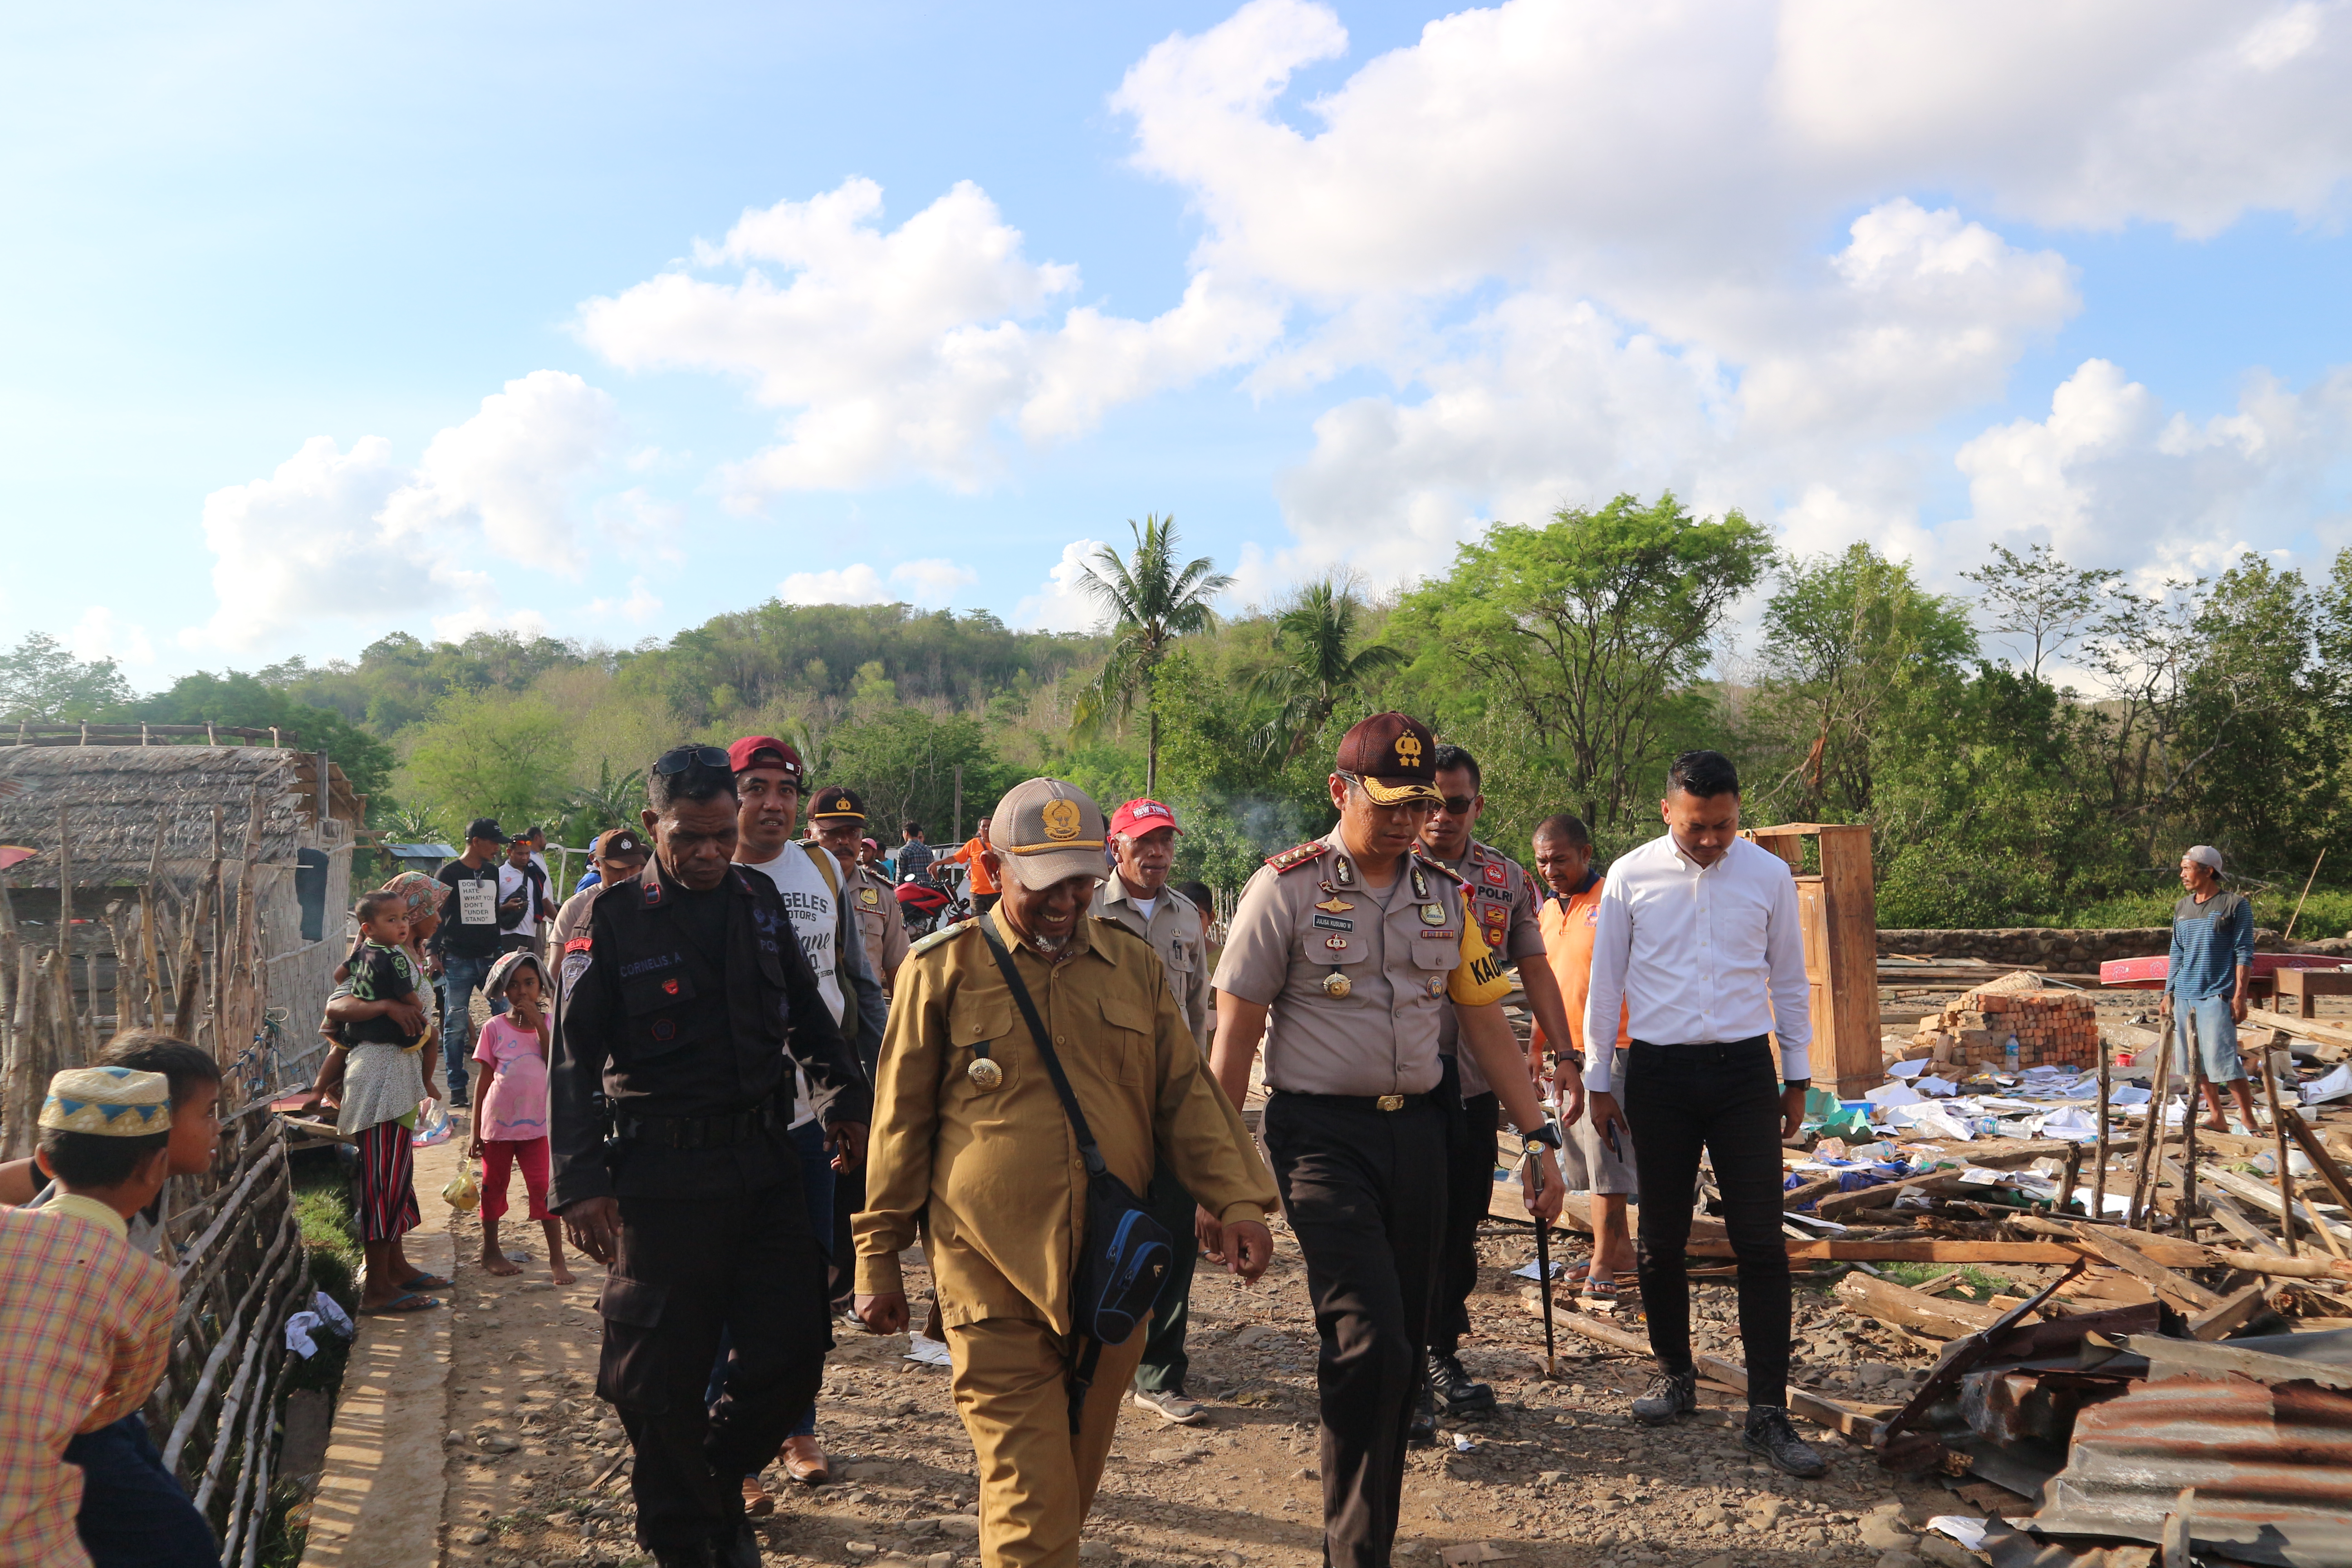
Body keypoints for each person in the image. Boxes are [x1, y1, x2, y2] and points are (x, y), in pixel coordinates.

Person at [852, 778, 1279, 1568]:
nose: (1066, 899)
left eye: (1081, 880)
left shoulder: (1133, 969)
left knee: (1062, 1488)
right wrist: (877, 1256)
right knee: (1030, 1491)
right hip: (988, 1271)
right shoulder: (940, 970)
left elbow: (1184, 1095)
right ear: (996, 865)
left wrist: (1237, 1198)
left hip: (1111, 1278)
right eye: (1047, 881)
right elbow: (899, 1124)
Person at [1208, 712, 1565, 1568]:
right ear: (1340, 791)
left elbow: (1483, 1023)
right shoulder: (1283, 890)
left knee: (1401, 1351)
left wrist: (1536, 1135)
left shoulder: (1443, 894)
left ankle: (1365, 1535)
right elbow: (1232, 1043)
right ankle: (1354, 1550)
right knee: (1369, 1335)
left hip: (1425, 1139)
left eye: (1420, 802)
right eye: (1389, 802)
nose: (1408, 819)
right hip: (1320, 1140)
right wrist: (1220, 1182)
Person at [552, 744, 871, 1568]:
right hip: (659, 1180)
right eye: (688, 837)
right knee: (657, 1378)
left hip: (762, 1162)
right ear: (654, 823)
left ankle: (714, 1481)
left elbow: (807, 1013)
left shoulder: (759, 899)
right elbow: (572, 1060)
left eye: (720, 836)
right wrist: (581, 1184)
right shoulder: (608, 920)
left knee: (796, 1343)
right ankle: (687, 1538)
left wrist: (842, 1103)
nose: (707, 854)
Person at [1581, 749, 1824, 1477]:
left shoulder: (1769, 875)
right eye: (1698, 827)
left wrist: (1798, 1075)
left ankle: (1767, 1412)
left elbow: (1788, 978)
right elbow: (1605, 984)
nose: (1713, 839)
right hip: (1658, 1074)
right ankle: (1675, 1373)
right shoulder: (1630, 875)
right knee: (1660, 1236)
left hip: (1746, 1072)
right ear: (1668, 812)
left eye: (1724, 825)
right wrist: (1599, 1080)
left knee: (1760, 1242)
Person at [727, 737, 886, 1494]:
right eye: (755, 787)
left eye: (786, 789)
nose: (773, 803)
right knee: (724, 1282)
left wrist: (860, 1092)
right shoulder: (708, 872)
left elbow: (852, 980)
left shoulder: (823, 868)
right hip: (726, 1120)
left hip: (810, 1113)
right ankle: (730, 1443)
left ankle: (796, 1426)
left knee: (807, 1277)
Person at [0, 1036, 222, 1568]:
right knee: (179, 1544)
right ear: (158, 1147)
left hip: (72, 1401)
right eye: (209, 1113)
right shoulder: (144, 1270)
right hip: (74, 1418)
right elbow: (124, 1393)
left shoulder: (93, 1157)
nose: (219, 1126)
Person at [1412, 743, 1583, 1431]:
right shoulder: (1386, 867)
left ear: (1477, 807)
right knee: (1409, 1221)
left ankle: (1439, 1352)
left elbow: (1536, 970)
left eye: (1455, 805)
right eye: (1428, 804)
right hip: (1401, 1077)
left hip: (1476, 1081)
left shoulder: (1505, 878)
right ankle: (1403, 1370)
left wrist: (1565, 1052)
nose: (1440, 818)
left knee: (1461, 1220)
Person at [1085, 797, 1214, 1427]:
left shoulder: (1188, 919)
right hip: (1098, 1104)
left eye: (1166, 841)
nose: (1158, 853)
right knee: (1095, 1231)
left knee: (1170, 1238)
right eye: (1145, 843)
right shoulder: (1081, 909)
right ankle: (1087, 1354)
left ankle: (1159, 1373)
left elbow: (1199, 1019)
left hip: (1168, 1104)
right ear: (1117, 849)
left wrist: (1202, 1099)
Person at [1530, 813, 1637, 1301]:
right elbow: (1545, 985)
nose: (1551, 869)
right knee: (1582, 1156)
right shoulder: (1547, 912)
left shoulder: (1611, 903)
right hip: (1567, 1053)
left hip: (1615, 1047)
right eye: (1542, 861)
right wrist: (1537, 1049)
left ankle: (1604, 1259)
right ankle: (1620, 1250)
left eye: (1561, 859)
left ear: (1586, 854)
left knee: (1606, 1153)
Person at [470, 951, 571, 1285]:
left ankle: (557, 1259)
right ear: (503, 991)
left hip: (539, 1126)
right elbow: (483, 1082)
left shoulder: (550, 1024)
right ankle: (491, 1251)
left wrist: (538, 1025)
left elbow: (553, 1059)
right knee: (493, 1186)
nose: (522, 992)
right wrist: (474, 1133)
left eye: (529, 983)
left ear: (542, 986)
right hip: (497, 1126)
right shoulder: (493, 1028)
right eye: (513, 986)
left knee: (544, 1187)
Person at [2162, 845, 2259, 1133]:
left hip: (2217, 994)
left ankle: (2248, 1118)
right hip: (2184, 995)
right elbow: (2177, 952)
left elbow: (2244, 952)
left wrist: (2240, 997)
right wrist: (2168, 992)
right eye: (2182, 869)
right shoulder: (2182, 907)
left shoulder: (2234, 905)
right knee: (2196, 1061)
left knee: (2225, 1060)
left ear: (2209, 871)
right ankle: (2217, 1116)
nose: (2182, 875)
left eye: (2187, 869)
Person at [428, 817, 515, 1107]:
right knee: (454, 1025)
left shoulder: (491, 872)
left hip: (492, 958)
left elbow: (490, 914)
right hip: (457, 960)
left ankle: (506, 1081)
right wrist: (432, 953)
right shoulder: (448, 874)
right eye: (493, 843)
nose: (497, 850)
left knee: (505, 1016)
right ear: (475, 842)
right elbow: (437, 917)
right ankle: (457, 1089)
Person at [815, 789, 909, 995]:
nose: (844, 841)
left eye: (853, 833)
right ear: (809, 835)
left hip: (864, 1019)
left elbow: (898, 969)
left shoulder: (882, 894)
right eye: (832, 832)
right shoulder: (790, 888)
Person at [344, 891, 427, 1049]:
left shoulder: (362, 949)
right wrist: (418, 1007)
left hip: (358, 1028)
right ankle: (426, 1076)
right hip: (388, 1030)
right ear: (368, 929)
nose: (402, 925)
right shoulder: (395, 958)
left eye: (405, 918)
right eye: (392, 920)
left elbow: (339, 975)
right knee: (432, 1038)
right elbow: (406, 994)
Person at [552, 828, 651, 956]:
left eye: (633, 867)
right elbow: (556, 970)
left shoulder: (654, 902)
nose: (626, 875)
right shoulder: (576, 908)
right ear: (597, 863)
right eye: (616, 869)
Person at [500, 831, 555, 954]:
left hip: (531, 935)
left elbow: (545, 902)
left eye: (527, 853)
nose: (525, 858)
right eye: (520, 854)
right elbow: (489, 909)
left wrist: (562, 923)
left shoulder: (534, 874)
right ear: (509, 852)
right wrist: (506, 908)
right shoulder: (499, 874)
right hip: (508, 936)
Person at [943, 817, 1000, 915]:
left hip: (996, 892)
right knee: (978, 924)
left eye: (989, 826)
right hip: (977, 894)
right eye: (984, 826)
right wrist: (937, 863)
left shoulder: (999, 845)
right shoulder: (973, 844)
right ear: (979, 830)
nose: (986, 829)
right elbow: (955, 858)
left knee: (998, 924)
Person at [896, 821, 935, 887]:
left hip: (912, 890)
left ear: (906, 833)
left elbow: (900, 875)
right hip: (928, 890)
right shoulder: (928, 850)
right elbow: (933, 870)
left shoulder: (904, 851)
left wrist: (896, 889)